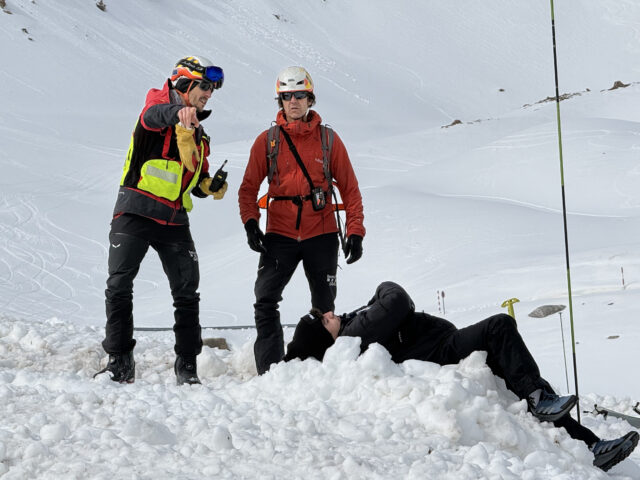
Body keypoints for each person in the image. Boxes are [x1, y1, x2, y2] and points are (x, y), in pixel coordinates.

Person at [284, 281, 640, 472]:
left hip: (442, 347)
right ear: (324, 338)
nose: (329, 314)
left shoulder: (355, 326)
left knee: (520, 379)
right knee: (499, 326)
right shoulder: (354, 334)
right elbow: (396, 298)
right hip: (443, 351)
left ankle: (589, 445)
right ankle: (544, 404)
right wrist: (378, 292)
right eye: (323, 320)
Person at [94, 56, 228, 385]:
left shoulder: (198, 134)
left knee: (187, 294)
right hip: (134, 212)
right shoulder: (157, 105)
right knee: (119, 286)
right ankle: (119, 363)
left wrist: (209, 186)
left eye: (212, 89)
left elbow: (195, 179)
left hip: (173, 220)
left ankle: (187, 368)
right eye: (204, 86)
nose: (209, 94)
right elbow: (152, 116)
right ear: (183, 84)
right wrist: (178, 114)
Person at [238, 66, 366, 374]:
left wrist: (355, 232)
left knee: (325, 310)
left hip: (321, 233)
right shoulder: (267, 141)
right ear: (280, 100)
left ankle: (318, 370)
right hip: (279, 234)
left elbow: (350, 190)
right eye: (286, 96)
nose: (293, 101)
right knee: (265, 301)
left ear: (310, 99)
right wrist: (251, 223)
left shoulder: (328, 140)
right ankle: (270, 372)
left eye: (299, 95)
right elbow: (248, 189)